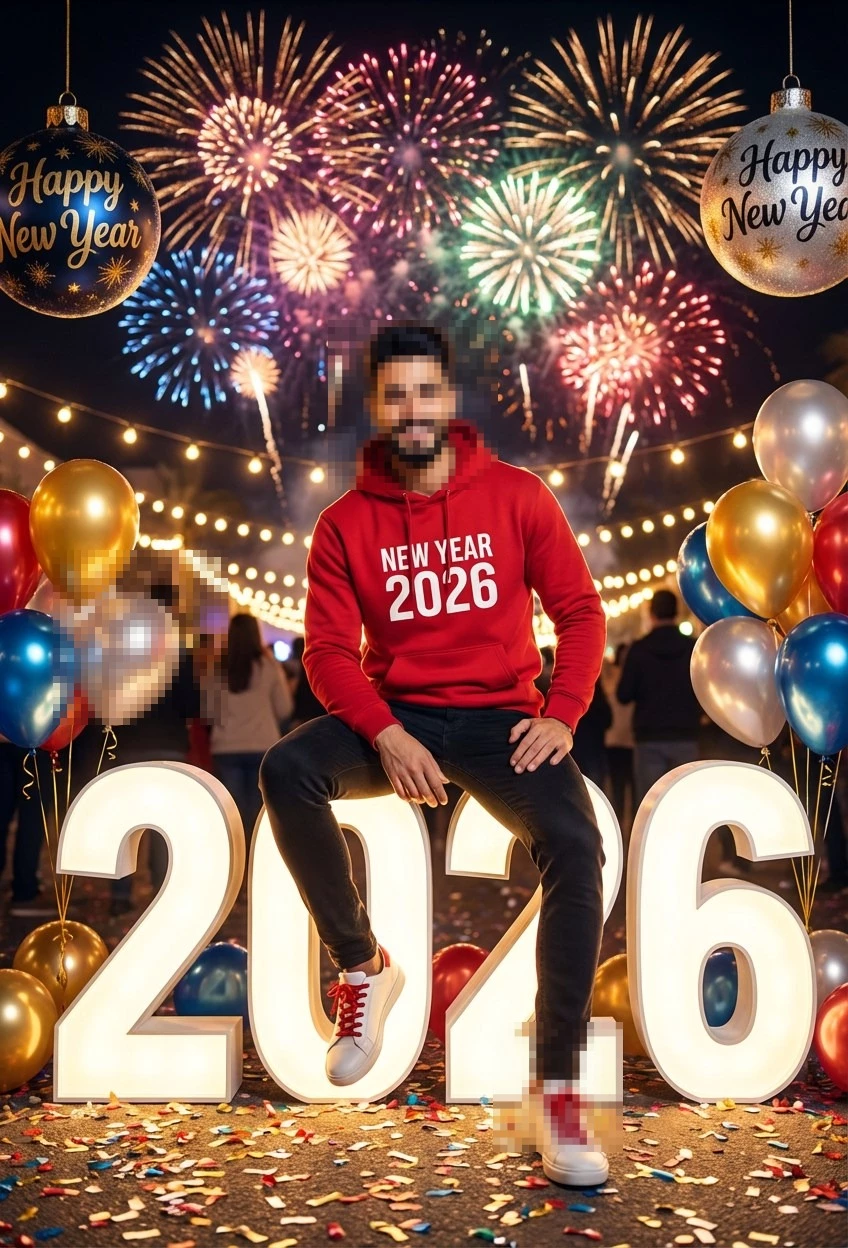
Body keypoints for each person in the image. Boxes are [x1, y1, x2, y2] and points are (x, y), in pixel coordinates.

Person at [260, 325, 609, 1186]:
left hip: (499, 721)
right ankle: (363, 964)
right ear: (376, 410)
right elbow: (329, 653)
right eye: (395, 396)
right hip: (400, 716)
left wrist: (562, 712)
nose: (412, 411)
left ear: (448, 402)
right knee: (287, 770)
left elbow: (581, 612)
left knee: (575, 844)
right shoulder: (344, 525)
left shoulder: (519, 496)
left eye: (427, 393)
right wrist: (383, 730)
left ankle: (556, 1087)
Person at [108, 582, 201, 915]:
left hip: (130, 744)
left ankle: (120, 894)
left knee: (128, 821)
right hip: (168, 744)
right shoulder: (178, 650)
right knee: (164, 822)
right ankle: (162, 891)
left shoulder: (124, 650)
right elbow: (193, 702)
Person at [206, 613, 293, 841]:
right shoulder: (269, 666)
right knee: (258, 814)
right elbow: (284, 708)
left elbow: (208, 711)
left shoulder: (217, 669)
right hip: (261, 746)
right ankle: (255, 864)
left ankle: (236, 864)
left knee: (231, 813)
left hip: (226, 747)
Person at [616, 590, 700, 806]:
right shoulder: (693, 648)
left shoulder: (639, 649)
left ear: (652, 613)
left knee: (651, 805)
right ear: (677, 611)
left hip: (649, 737)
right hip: (686, 735)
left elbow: (623, 695)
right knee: (685, 803)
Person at [602, 645, 635, 829]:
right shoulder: (610, 674)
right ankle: (618, 825)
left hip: (632, 739)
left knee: (636, 787)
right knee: (617, 787)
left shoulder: (636, 676)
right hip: (613, 739)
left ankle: (633, 828)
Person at [569, 678, 612, 791]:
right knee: (595, 792)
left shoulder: (571, 699)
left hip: (574, 751)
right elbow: (608, 721)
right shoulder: (598, 700)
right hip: (595, 751)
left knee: (575, 790)